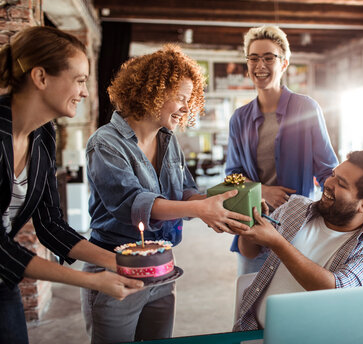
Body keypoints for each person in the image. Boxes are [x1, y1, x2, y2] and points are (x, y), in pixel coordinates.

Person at [82, 44, 251, 344]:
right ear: (152, 93)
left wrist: (214, 206)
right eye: (181, 99)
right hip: (114, 264)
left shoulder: (167, 139)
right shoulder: (105, 143)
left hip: (163, 267)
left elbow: (184, 191)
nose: (187, 108)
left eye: (190, 100)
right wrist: (199, 210)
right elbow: (131, 204)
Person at [0, 26, 143, 344]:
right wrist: (92, 281)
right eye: (79, 80)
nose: (86, 92)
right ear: (40, 77)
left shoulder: (43, 133)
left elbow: (50, 225)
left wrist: (119, 261)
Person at [231, 151, 363, 331]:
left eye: (341, 184)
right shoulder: (295, 207)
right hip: (252, 329)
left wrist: (277, 242)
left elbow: (337, 294)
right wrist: (250, 227)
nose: (328, 183)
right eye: (333, 175)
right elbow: (251, 252)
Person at [226, 25, 339, 274]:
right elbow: (231, 176)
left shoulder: (306, 108)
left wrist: (339, 215)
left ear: (284, 64)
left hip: (299, 231)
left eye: (269, 58)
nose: (260, 65)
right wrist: (261, 191)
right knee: (250, 305)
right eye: (253, 58)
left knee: (295, 306)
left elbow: (327, 170)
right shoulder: (239, 118)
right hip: (254, 227)